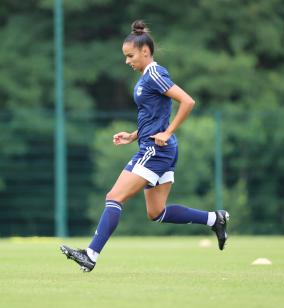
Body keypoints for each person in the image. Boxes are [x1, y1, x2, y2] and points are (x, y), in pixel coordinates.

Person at [60, 20, 229, 272]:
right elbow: (155, 116)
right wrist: (133, 135)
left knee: (114, 197)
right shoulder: (147, 77)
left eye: (130, 56)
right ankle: (215, 219)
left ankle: (91, 254)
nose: (127, 61)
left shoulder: (153, 74)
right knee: (156, 212)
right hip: (162, 148)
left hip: (156, 149)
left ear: (145, 52)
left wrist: (167, 131)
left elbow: (188, 101)